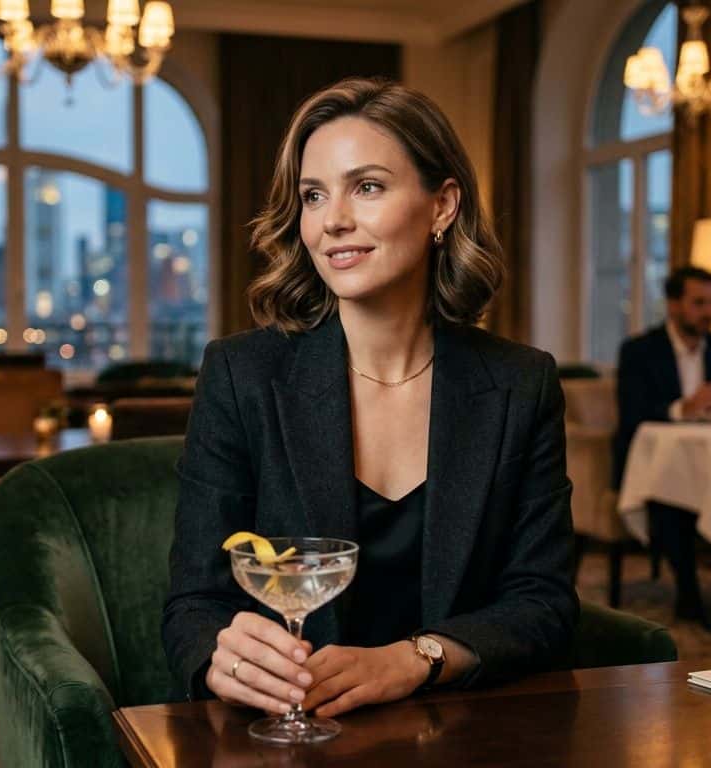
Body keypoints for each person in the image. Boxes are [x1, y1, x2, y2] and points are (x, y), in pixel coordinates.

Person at [161, 78, 578, 719]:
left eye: (369, 186)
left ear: (442, 206)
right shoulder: (242, 373)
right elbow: (194, 604)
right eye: (313, 195)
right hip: (288, 731)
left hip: (460, 731)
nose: (334, 221)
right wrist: (223, 656)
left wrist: (416, 659)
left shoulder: (521, 384)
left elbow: (542, 602)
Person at [613, 266, 711, 625]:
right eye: (698, 303)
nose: (707, 312)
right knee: (671, 491)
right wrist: (682, 408)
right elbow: (632, 414)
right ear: (673, 305)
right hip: (655, 462)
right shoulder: (639, 350)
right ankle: (688, 591)